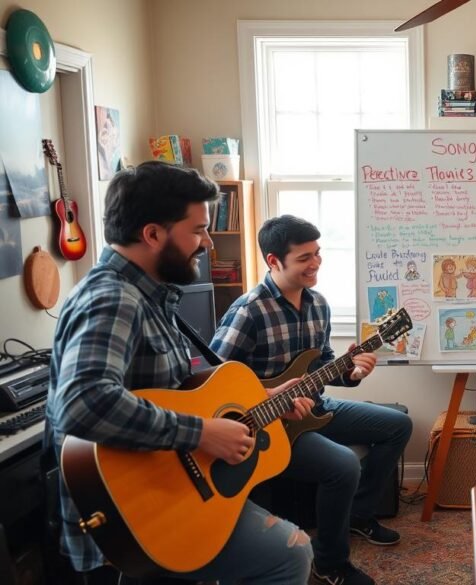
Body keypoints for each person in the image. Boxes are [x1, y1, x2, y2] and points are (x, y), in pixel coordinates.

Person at [45, 162, 313, 584]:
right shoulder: (114, 300)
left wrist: (267, 396)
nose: (207, 242)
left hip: (170, 487)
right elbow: (82, 404)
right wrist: (201, 433)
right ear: (152, 234)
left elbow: (180, 392)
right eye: (198, 230)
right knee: (289, 555)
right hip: (133, 515)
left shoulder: (151, 296)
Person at [211, 215, 413, 585]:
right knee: (343, 465)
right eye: (304, 257)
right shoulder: (248, 311)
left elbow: (321, 367)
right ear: (274, 261)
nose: (315, 263)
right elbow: (214, 381)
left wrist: (352, 372)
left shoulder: (318, 304)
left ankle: (358, 514)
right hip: (272, 425)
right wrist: (271, 396)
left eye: (317, 254)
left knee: (397, 425)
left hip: (316, 409)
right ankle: (331, 562)